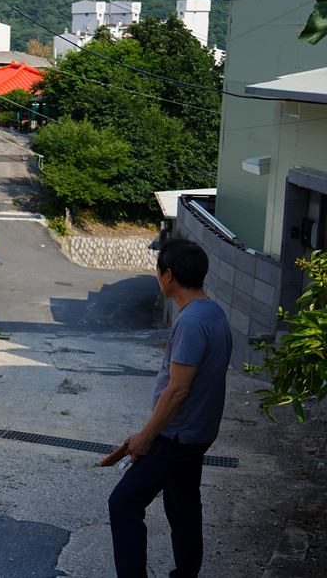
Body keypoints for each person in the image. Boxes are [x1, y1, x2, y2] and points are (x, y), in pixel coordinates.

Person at [108, 238, 232, 577]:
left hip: (177, 436)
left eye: (158, 272)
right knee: (183, 508)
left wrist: (147, 436)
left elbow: (178, 390)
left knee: (123, 503)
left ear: (169, 275)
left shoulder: (191, 322)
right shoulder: (214, 312)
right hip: (198, 433)